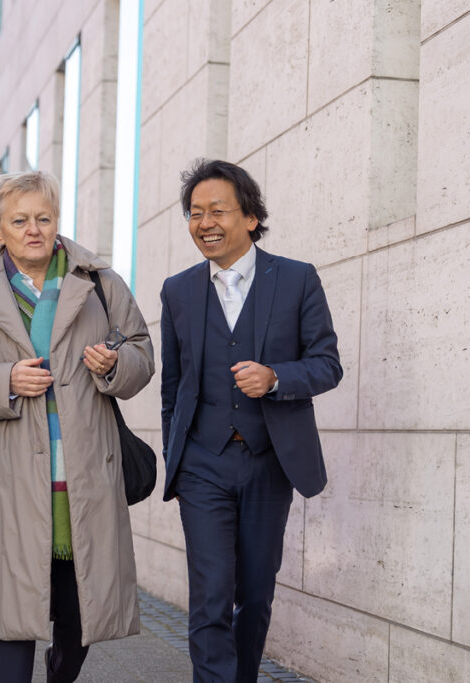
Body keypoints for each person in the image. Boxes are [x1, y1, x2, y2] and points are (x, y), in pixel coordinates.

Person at [0, 171, 154, 682]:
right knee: (9, 611)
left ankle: (59, 671)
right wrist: (5, 380)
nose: (34, 229)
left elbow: (143, 355)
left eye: (44, 217)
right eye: (20, 220)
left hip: (85, 478)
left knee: (81, 613)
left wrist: (113, 365)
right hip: (7, 480)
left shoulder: (101, 284)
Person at [160, 159, 343, 682]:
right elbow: (175, 386)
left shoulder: (297, 279)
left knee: (256, 594)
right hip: (203, 464)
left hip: (269, 461)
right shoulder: (178, 291)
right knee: (210, 593)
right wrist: (182, 451)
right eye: (195, 213)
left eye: (217, 210)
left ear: (251, 217)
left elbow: (328, 365)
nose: (205, 223)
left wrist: (276, 378)